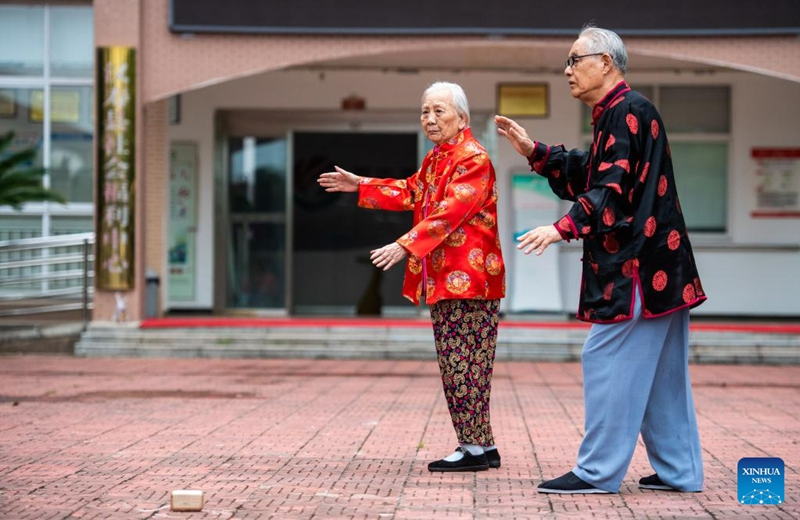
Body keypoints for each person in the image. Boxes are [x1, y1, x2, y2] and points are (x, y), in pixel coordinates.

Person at [495, 25, 707, 494]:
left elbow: (609, 188)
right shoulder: (622, 112)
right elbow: (593, 170)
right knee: (662, 377)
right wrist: (536, 152)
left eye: (575, 59)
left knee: (606, 359)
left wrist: (561, 228)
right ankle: (680, 472)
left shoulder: (626, 111)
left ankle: (597, 472)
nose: (568, 70)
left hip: (636, 267)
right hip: (660, 268)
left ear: (605, 62)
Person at [318, 81, 506, 472]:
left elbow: (449, 212)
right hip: (452, 277)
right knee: (467, 363)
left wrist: (404, 245)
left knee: (462, 363)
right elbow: (411, 191)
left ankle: (472, 447)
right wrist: (362, 185)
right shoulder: (438, 158)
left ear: (462, 118)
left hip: (467, 279)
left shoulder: (473, 158)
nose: (430, 118)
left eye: (439, 111)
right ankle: (483, 445)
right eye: (425, 111)